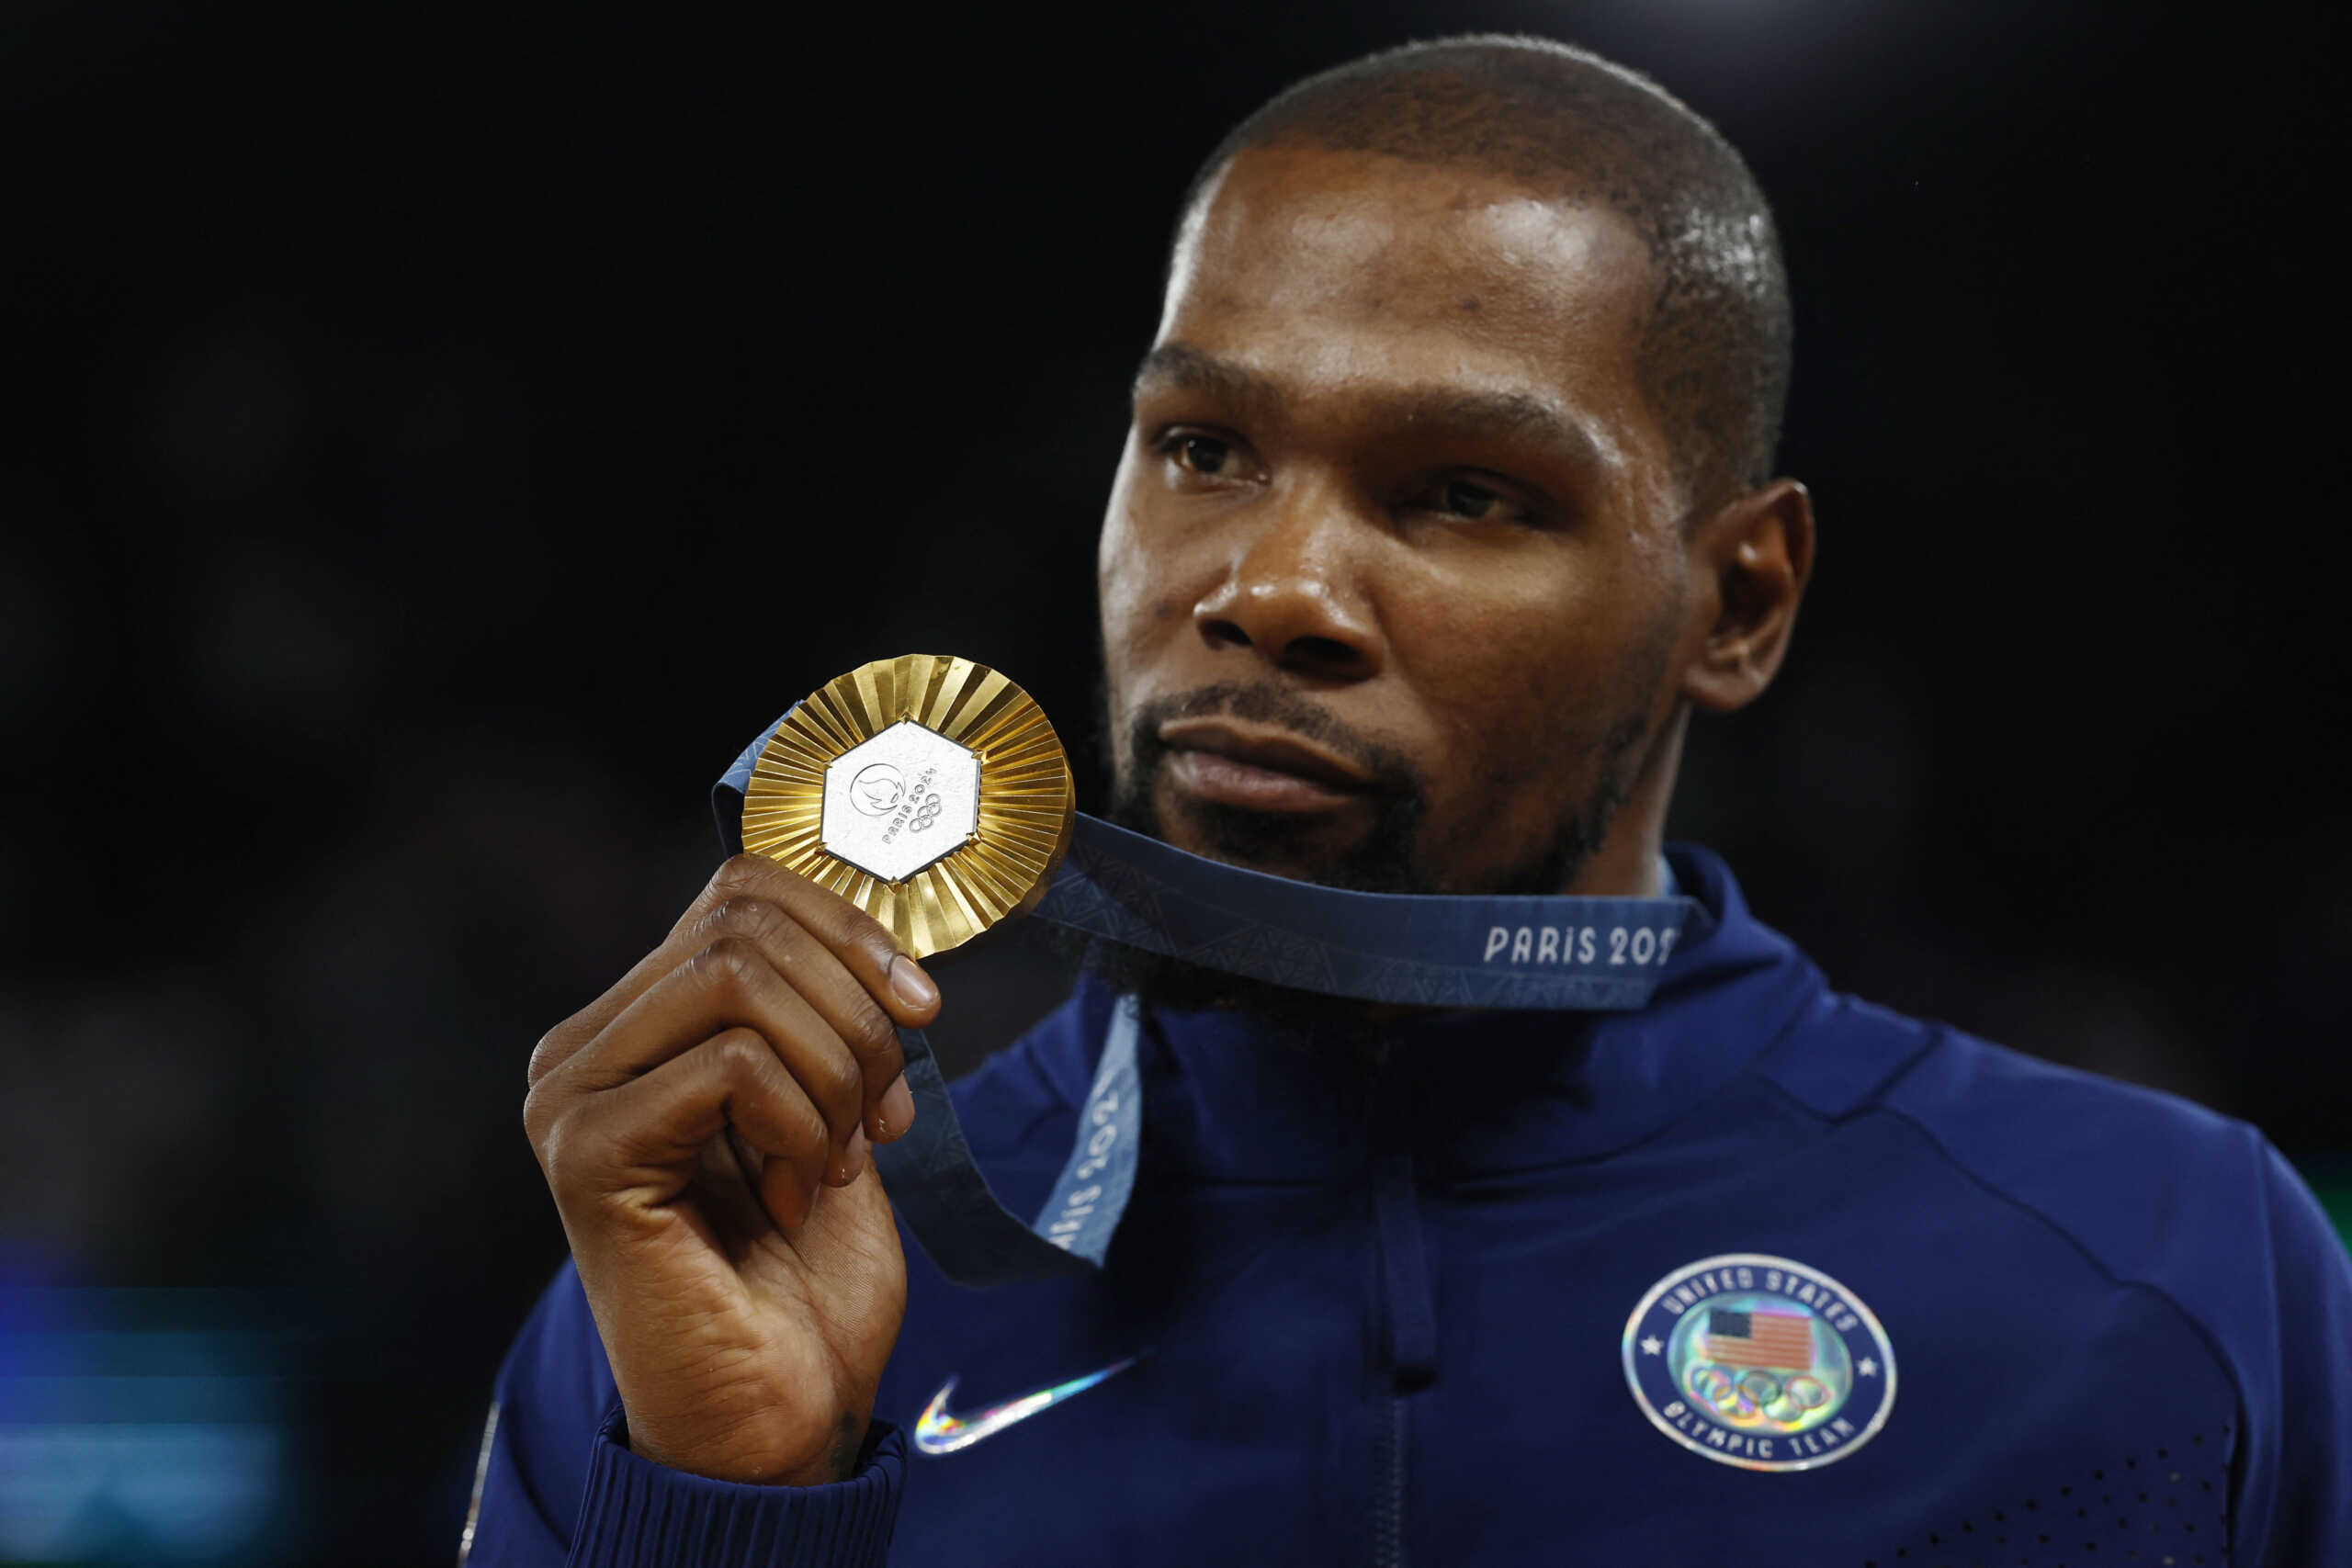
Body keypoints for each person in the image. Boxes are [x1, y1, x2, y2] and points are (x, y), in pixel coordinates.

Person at [466, 34, 2352, 1566]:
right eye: (1200, 447)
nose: (1263, 585)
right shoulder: (741, 1256)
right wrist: (730, 1507)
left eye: (1458, 489)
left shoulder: (2164, 1268)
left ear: (1737, 600)